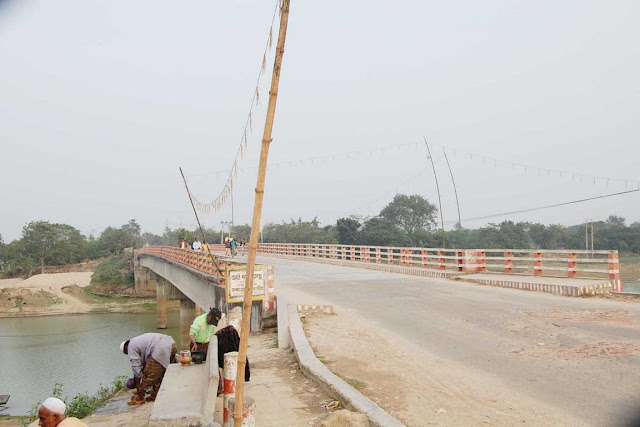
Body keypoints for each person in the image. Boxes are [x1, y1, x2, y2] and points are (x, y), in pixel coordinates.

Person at [120, 333, 177, 405]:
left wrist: (138, 385)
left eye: (127, 353)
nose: (129, 354)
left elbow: (136, 367)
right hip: (172, 344)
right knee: (159, 372)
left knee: (149, 374)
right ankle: (155, 395)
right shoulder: (137, 342)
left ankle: (140, 397)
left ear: (126, 348)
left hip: (161, 348)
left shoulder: (131, 347)